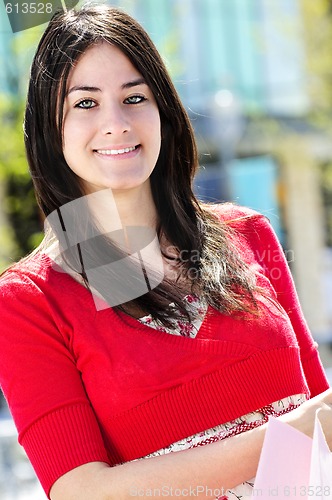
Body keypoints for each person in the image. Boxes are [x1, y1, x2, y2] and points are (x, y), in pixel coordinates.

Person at [0, 4, 331, 500]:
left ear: (165, 113)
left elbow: (319, 409)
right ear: (51, 130)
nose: (116, 123)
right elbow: (81, 491)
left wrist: (309, 428)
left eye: (135, 97)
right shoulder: (30, 301)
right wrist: (281, 437)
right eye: (85, 104)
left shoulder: (248, 236)